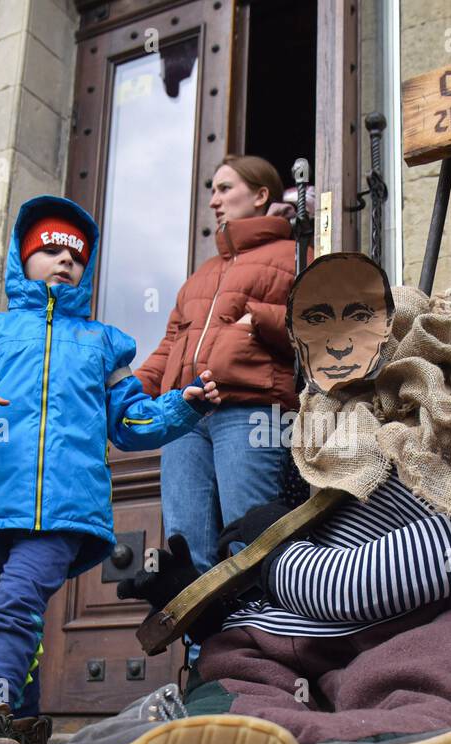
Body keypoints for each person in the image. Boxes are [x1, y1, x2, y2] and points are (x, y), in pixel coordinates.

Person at [0, 259, 451, 744]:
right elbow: (263, 581)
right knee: (237, 675)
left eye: (359, 325)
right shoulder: (308, 452)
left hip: (400, 629)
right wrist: (203, 598)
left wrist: (279, 564)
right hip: (278, 636)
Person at [0, 194, 221, 744]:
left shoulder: (104, 345)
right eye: (50, 251)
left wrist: (180, 409)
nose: (64, 263)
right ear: (22, 259)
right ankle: (22, 729)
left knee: (15, 605)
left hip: (65, 510)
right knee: (13, 615)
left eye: (76, 257)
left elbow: (128, 423)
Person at [134, 155, 302, 575]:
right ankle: (200, 644)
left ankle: (261, 637)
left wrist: (256, 319)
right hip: (185, 417)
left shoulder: (297, 255)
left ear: (261, 196)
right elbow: (170, 345)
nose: (214, 200)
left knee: (252, 540)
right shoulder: (201, 275)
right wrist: (124, 395)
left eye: (225, 188)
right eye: (212, 190)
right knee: (186, 548)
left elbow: (322, 328)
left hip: (250, 410)